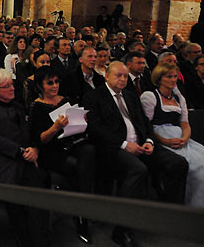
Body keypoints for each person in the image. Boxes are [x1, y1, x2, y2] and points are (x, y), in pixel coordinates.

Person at [83, 61, 188, 247]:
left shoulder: (131, 96)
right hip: (114, 148)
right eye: (118, 75)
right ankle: (122, 230)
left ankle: (170, 214)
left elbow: (144, 122)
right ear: (107, 76)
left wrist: (148, 140)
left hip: (141, 144)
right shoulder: (94, 96)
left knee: (178, 163)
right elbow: (95, 129)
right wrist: (124, 144)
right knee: (138, 170)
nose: (123, 79)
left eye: (125, 76)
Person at [0, 68, 49, 247]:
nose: (13, 88)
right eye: (7, 86)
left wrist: (33, 149)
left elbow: (27, 134)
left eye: (12, 84)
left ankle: (41, 239)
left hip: (21, 156)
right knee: (16, 193)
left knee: (39, 192)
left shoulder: (18, 106)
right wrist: (21, 151)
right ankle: (26, 240)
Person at [29, 66, 95, 244]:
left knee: (89, 152)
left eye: (56, 82)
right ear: (40, 86)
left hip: (71, 143)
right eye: (49, 83)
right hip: (51, 151)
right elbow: (39, 139)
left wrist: (80, 121)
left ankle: (82, 206)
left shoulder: (64, 99)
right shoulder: (37, 106)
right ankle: (83, 212)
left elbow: (75, 128)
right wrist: (55, 127)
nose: (54, 86)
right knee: (78, 166)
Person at [140, 63, 204, 207]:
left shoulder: (178, 98)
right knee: (195, 169)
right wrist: (165, 141)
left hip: (180, 136)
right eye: (169, 77)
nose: (173, 80)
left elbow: (185, 123)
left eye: (175, 76)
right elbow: (146, 126)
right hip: (158, 136)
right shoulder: (150, 96)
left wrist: (185, 138)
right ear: (159, 78)